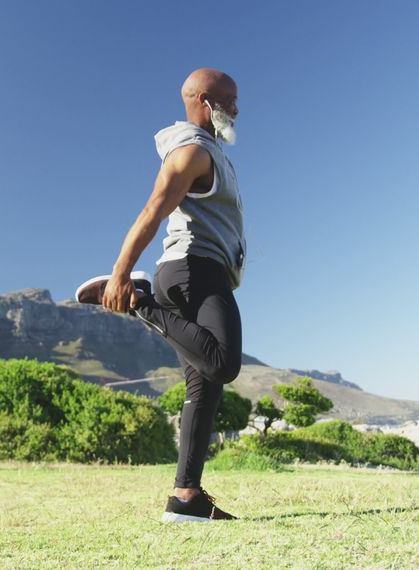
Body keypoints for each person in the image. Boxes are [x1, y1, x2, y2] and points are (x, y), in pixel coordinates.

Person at [75, 68, 245, 522]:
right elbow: (153, 209)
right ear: (206, 102)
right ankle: (139, 303)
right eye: (230, 100)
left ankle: (185, 498)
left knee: (202, 388)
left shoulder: (211, 152)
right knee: (224, 363)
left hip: (204, 272)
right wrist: (121, 276)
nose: (237, 109)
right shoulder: (190, 153)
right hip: (194, 272)